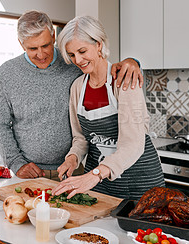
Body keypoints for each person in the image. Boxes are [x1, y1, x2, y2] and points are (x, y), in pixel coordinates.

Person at [0, 10, 143, 180]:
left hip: (73, 171)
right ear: (21, 44)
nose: (41, 55)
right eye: (32, 48)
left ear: (54, 35)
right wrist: (16, 162)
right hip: (29, 172)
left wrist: (133, 62)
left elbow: (104, 69)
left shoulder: (73, 62)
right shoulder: (7, 73)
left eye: (45, 45)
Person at [52, 15, 165, 199]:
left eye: (82, 51)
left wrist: (94, 175)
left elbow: (133, 144)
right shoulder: (77, 87)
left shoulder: (124, 80)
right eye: (72, 55)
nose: (78, 60)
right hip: (100, 184)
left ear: (98, 44)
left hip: (139, 181)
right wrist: (72, 158)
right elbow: (81, 138)